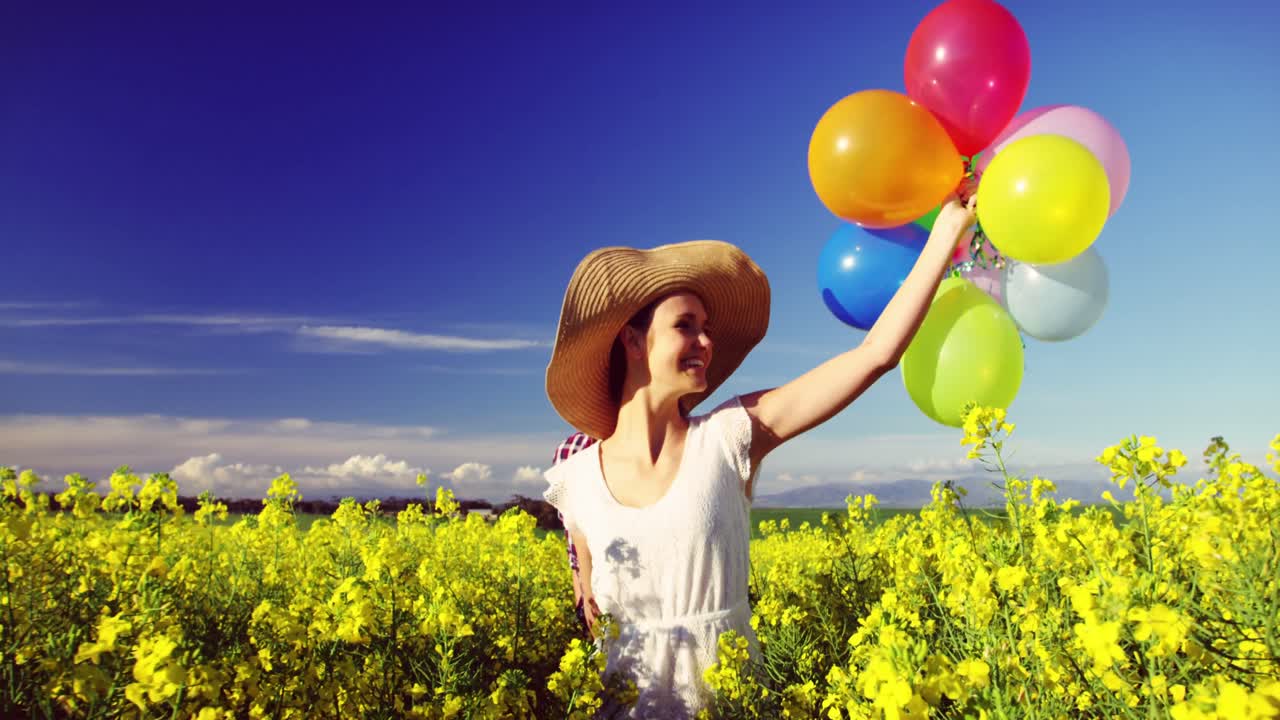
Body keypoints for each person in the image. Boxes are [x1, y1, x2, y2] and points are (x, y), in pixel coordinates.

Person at [541, 193, 977, 718]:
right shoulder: (576, 479)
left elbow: (874, 356)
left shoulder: (730, 434)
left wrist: (944, 234)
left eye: (707, 326)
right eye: (685, 325)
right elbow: (590, 618)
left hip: (731, 705)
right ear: (633, 341)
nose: (705, 339)